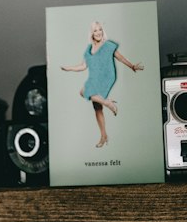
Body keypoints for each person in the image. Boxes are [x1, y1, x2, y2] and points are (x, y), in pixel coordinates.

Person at [60, 20, 144, 148]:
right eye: (95, 30)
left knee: (84, 92)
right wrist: (69, 68)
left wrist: (131, 66)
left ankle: (107, 103)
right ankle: (104, 136)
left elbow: (119, 57)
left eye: (100, 29)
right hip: (94, 77)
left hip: (107, 76)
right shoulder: (88, 49)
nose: (98, 32)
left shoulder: (108, 45)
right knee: (97, 107)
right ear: (92, 33)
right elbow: (83, 66)